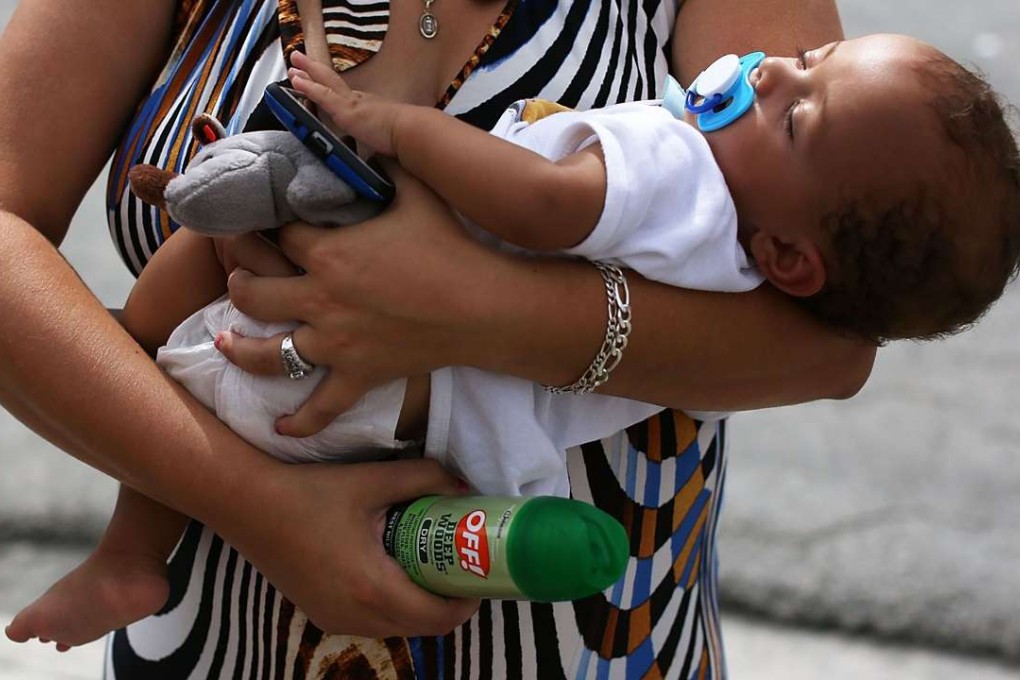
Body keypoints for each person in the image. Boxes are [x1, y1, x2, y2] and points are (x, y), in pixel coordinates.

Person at [9, 30, 1020, 653]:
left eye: (799, 97)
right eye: (801, 64)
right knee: (210, 283)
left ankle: (131, 537)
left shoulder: (688, 163)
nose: (767, 77)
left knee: (200, 298)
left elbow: (832, 348)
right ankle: (133, 539)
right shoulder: (732, 165)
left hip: (566, 622)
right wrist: (263, 508)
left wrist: (462, 288)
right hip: (273, 574)